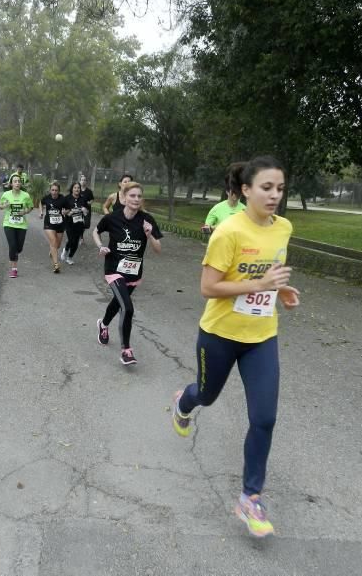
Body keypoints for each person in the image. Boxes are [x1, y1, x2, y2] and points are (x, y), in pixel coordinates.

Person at [170, 156, 299, 539]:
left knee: (264, 418)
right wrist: (257, 286)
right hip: (220, 334)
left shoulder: (285, 228)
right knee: (206, 395)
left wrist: (282, 290)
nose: (275, 195)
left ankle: (250, 497)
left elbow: (268, 274)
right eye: (266, 188)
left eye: (279, 188)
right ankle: (184, 402)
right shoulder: (228, 231)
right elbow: (208, 288)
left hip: (261, 336)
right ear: (246, 190)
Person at [92, 182, 163, 365]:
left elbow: (158, 249)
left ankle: (103, 324)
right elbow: (96, 231)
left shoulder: (147, 220)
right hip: (114, 269)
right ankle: (126, 350)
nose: (136, 199)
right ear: (123, 198)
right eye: (132, 196)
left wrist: (149, 235)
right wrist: (101, 246)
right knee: (128, 308)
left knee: (118, 303)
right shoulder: (113, 218)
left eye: (139, 196)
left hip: (133, 272)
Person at [0, 174, 34, 277]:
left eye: (19, 181)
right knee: (12, 245)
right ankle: (14, 269)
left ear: (21, 183)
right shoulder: (6, 194)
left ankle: (15, 253)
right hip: (8, 223)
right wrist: (5, 205)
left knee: (19, 248)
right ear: (11, 184)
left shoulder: (25, 195)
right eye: (15, 181)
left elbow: (31, 207)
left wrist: (25, 212)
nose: (17, 183)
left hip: (21, 225)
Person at [201, 163, 246, 234]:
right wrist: (215, 229)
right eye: (233, 192)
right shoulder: (217, 208)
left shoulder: (245, 210)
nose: (235, 195)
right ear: (227, 192)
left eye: (237, 192)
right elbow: (205, 229)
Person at [40, 181, 66, 273]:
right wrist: (41, 212)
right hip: (49, 223)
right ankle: (56, 264)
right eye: (53, 190)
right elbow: (41, 203)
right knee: (53, 241)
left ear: (59, 191)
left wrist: (65, 212)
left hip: (60, 224)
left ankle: (52, 251)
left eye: (56, 190)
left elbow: (68, 208)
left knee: (57, 245)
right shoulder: (46, 198)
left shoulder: (63, 198)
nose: (54, 192)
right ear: (50, 190)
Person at [60, 181, 89, 265]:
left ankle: (70, 257)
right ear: (72, 189)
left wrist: (84, 210)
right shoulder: (67, 198)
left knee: (76, 242)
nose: (77, 189)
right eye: (75, 188)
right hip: (69, 223)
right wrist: (68, 212)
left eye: (78, 188)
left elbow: (86, 212)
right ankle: (65, 250)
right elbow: (63, 211)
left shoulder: (83, 199)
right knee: (71, 239)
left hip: (79, 224)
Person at [79, 173, 94, 246]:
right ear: (80, 181)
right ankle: (81, 237)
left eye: (85, 180)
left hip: (87, 210)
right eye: (82, 180)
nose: (83, 181)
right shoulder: (77, 190)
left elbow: (92, 199)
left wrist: (90, 202)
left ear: (86, 182)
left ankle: (79, 231)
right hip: (79, 210)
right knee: (79, 223)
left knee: (87, 225)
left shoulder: (89, 191)